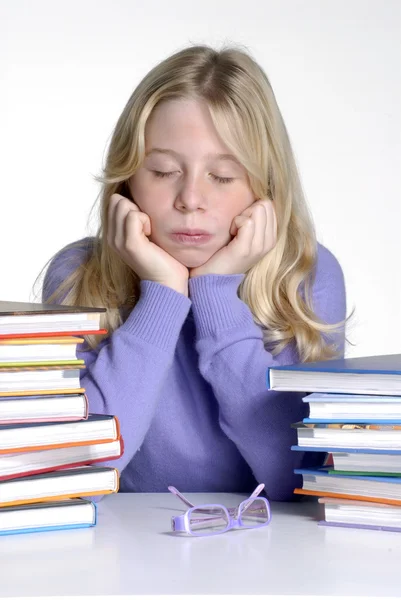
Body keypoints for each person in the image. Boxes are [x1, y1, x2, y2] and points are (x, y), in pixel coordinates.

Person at [40, 44, 347, 500]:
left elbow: (295, 478)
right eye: (163, 171)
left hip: (268, 553)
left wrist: (217, 295)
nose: (190, 199)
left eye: (222, 176)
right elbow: (80, 470)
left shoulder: (305, 275)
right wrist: (162, 295)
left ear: (266, 188)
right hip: (121, 554)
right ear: (126, 180)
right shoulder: (79, 274)